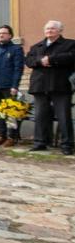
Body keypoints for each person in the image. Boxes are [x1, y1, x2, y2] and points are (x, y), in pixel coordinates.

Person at [25, 20, 75, 155]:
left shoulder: (70, 44)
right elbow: (28, 61)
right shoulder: (37, 46)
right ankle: (40, 142)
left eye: (53, 28)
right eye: (47, 28)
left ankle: (67, 145)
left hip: (60, 85)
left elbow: (71, 57)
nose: (49, 31)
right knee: (41, 115)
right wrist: (40, 61)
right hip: (40, 85)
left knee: (64, 116)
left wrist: (52, 59)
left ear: (60, 30)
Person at [0, 25, 25, 147]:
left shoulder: (16, 49)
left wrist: (15, 86)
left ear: (10, 35)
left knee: (10, 113)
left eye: (4, 33)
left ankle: (11, 137)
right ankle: (1, 135)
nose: (1, 35)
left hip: (8, 86)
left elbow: (18, 69)